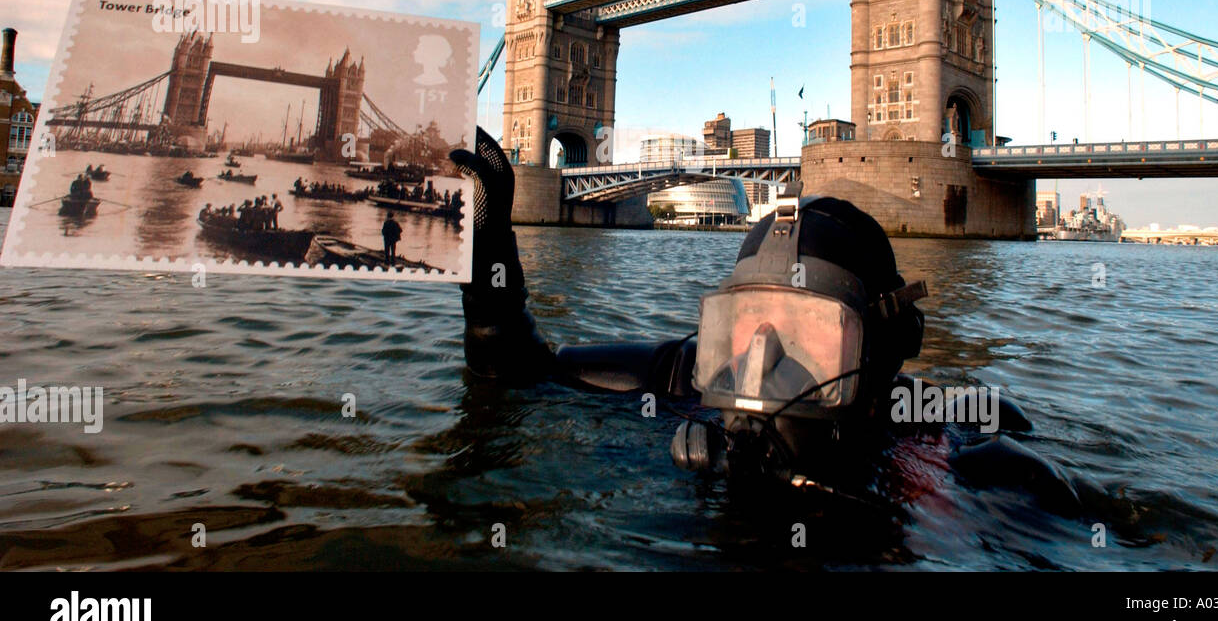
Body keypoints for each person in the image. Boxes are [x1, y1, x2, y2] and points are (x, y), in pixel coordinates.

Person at [450, 128, 1083, 510]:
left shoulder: (950, 441)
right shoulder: (686, 378)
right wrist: (487, 256)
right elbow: (515, 370)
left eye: (805, 326)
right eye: (747, 321)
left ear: (884, 348)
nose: (761, 356)